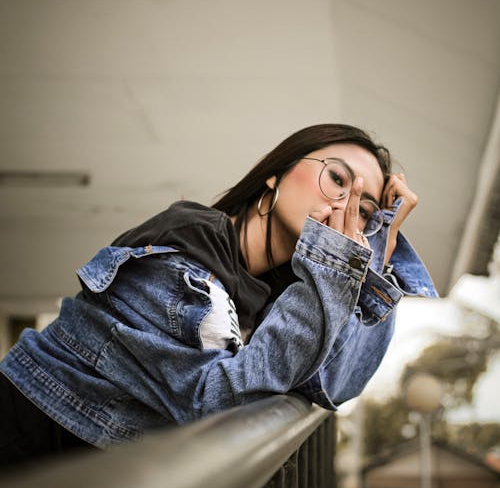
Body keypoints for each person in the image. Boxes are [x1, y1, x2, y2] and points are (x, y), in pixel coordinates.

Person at [0, 123, 437, 466]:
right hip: (24, 446)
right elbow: (219, 406)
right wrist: (337, 266)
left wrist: (376, 250)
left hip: (74, 476)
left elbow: (332, 383)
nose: (346, 204)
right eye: (337, 177)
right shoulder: (188, 259)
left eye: (363, 210)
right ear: (275, 174)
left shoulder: (274, 294)